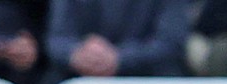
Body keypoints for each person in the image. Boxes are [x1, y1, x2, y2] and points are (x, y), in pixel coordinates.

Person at [47, 0, 186, 77]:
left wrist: (120, 57)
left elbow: (170, 41)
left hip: (144, 73)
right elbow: (57, 39)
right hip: (82, 73)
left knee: (170, 78)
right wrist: (77, 53)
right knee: (52, 81)